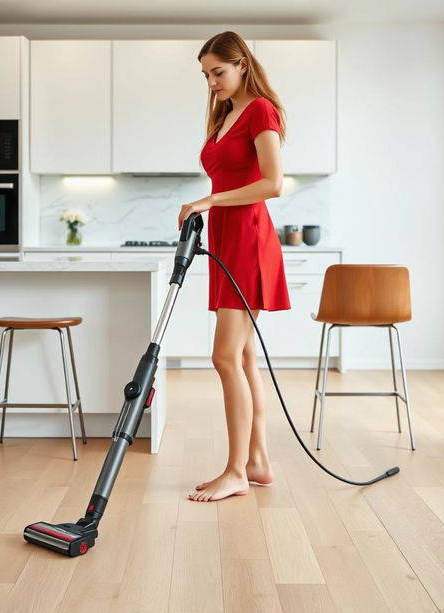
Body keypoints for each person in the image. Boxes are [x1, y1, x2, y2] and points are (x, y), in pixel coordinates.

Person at [178, 31, 291, 502]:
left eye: (217, 72)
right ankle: (258, 461)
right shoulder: (226, 116)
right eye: (205, 75)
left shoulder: (260, 110)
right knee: (243, 356)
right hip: (228, 241)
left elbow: (273, 183)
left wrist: (210, 199)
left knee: (224, 356)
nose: (211, 83)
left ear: (242, 63)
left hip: (248, 239)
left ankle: (235, 471)